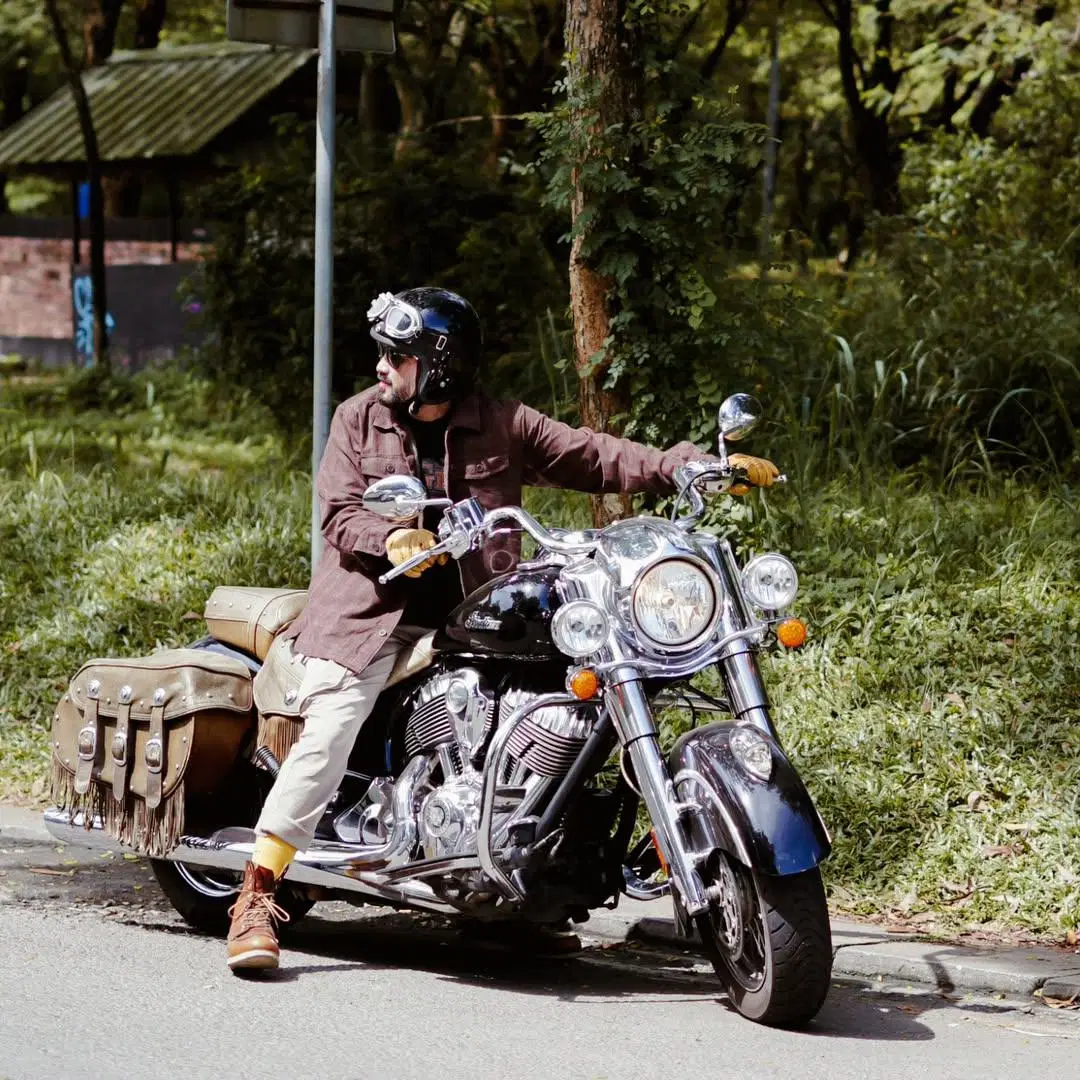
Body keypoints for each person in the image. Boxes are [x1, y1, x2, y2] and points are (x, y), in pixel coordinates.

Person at [225, 286, 780, 972]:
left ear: (439, 366)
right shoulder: (357, 421)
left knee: (579, 705)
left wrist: (681, 465)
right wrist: (393, 537)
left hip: (478, 613)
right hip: (374, 616)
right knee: (335, 726)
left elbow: (592, 455)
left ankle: (522, 885)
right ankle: (257, 892)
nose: (382, 367)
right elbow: (339, 512)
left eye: (396, 357)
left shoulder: (503, 421)